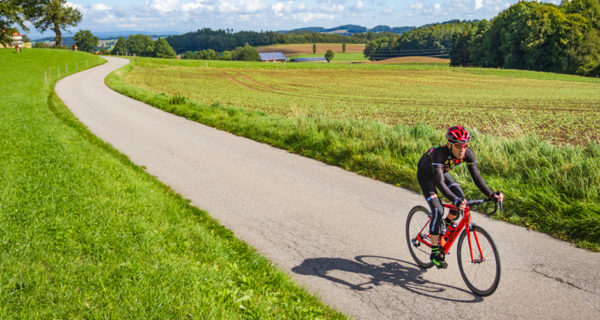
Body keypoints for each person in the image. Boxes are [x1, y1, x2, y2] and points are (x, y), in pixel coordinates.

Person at [416, 125, 503, 268]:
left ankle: (444, 228)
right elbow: (439, 181)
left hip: (442, 174)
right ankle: (435, 251)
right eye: (458, 146)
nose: (462, 149)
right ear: (449, 144)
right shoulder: (439, 153)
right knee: (438, 210)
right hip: (427, 177)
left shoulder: (468, 153)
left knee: (461, 202)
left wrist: (491, 194)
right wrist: (454, 200)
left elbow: (476, 177)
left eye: (465, 145)